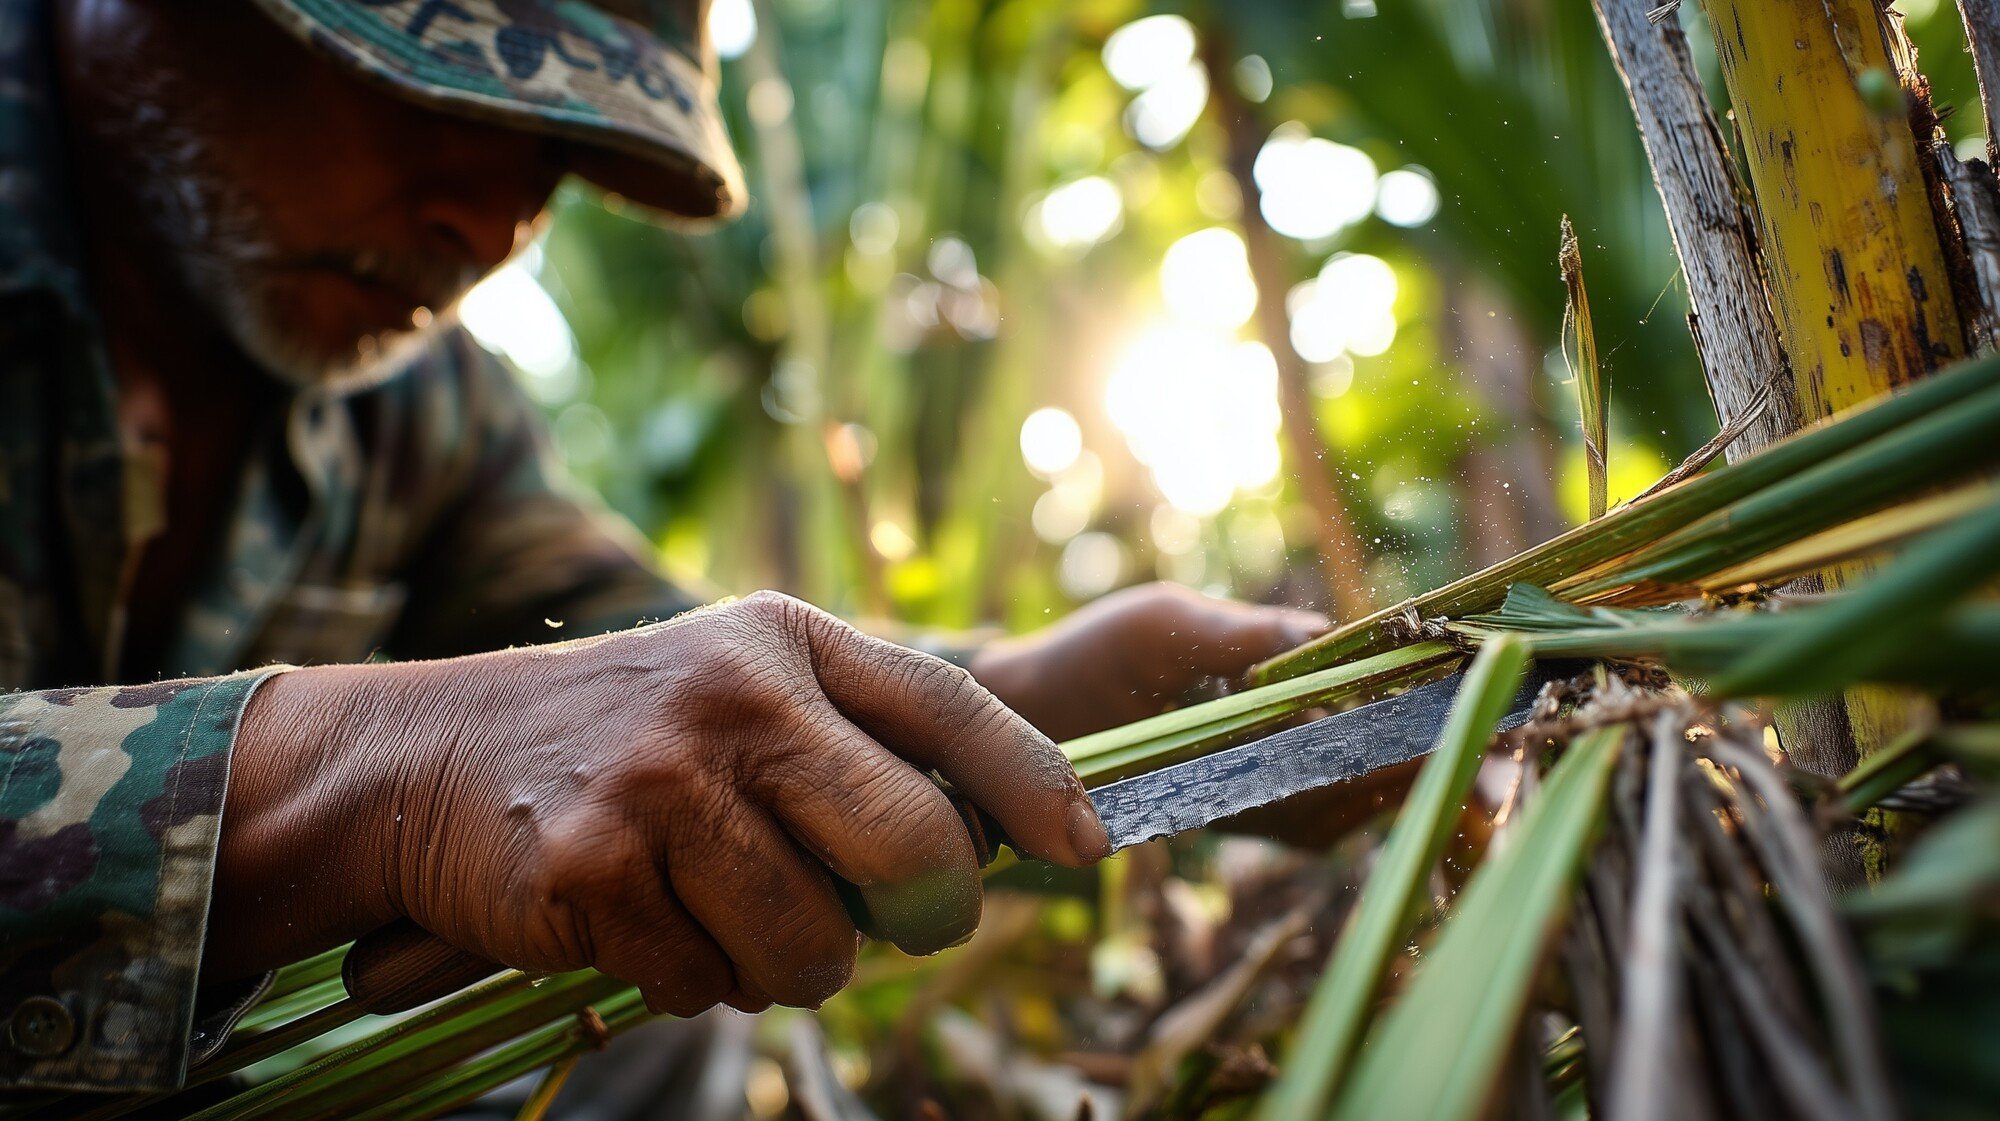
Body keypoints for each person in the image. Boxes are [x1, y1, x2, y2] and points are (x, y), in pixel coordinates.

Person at [0, 0, 1334, 1094]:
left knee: (657, 1003)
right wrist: (378, 776)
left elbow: (653, 685)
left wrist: (1055, 697)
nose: (488, 230)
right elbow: (483, 744)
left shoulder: (421, 407)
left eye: (555, 160)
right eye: (433, 85)